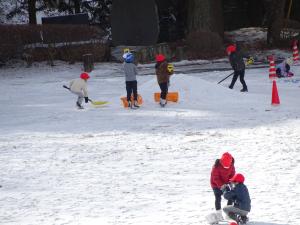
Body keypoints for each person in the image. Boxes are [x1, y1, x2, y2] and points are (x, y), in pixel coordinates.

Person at [210, 152, 235, 222]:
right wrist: (221, 185)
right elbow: (215, 178)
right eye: (224, 166)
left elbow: (232, 175)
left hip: (226, 183)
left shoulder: (232, 165)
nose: (226, 167)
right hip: (215, 184)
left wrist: (230, 183)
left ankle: (228, 213)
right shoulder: (216, 166)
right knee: (218, 198)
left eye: (228, 166)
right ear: (221, 162)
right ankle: (219, 214)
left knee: (231, 197)